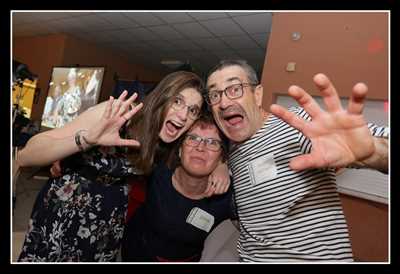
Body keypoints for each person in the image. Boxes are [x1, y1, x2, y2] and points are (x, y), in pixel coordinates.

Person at [16, 71, 229, 262]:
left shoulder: (167, 146)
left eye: (192, 110)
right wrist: (85, 141)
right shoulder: (118, 114)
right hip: (68, 208)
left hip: (110, 218)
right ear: (161, 98)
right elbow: (27, 155)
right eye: (177, 101)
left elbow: (206, 147)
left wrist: (222, 164)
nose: (183, 115)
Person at [205, 60, 388, 262]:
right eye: (215, 94)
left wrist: (373, 154)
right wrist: (221, 164)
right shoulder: (231, 144)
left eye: (234, 89)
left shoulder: (297, 125)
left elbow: (378, 146)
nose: (223, 103)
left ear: (257, 95)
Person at [121, 113, 237, 262]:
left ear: (222, 156)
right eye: (193, 138)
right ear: (180, 150)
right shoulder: (157, 171)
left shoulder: (228, 195)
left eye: (212, 142)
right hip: (135, 252)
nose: (200, 147)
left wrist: (226, 166)